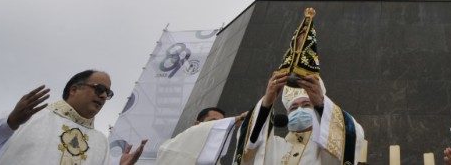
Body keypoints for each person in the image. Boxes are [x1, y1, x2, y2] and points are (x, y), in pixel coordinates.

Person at [0, 71, 146, 165]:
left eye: (108, 93)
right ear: (74, 90)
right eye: (99, 89)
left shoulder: (101, 142)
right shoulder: (28, 118)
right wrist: (10, 123)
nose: (104, 96)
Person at [235, 74, 365, 165]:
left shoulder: (324, 145)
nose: (299, 110)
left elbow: (350, 136)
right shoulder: (274, 146)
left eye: (306, 105)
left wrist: (320, 103)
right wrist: (265, 105)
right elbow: (249, 147)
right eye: (293, 108)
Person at [156, 107, 248, 165]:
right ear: (197, 124)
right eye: (212, 121)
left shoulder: (215, 159)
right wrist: (237, 119)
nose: (217, 126)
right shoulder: (175, 143)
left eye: (220, 123)